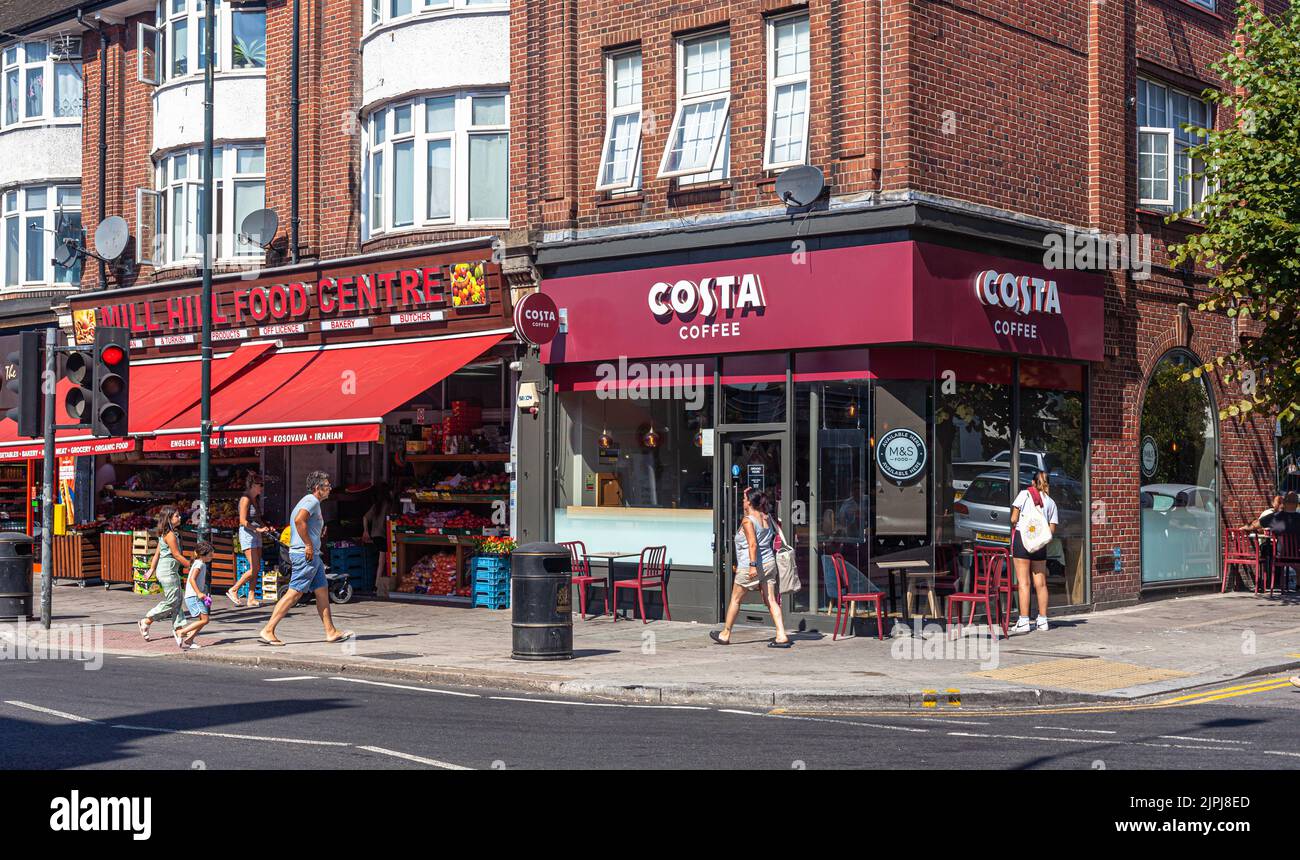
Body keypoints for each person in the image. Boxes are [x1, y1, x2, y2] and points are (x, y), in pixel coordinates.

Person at [257, 471, 352, 646]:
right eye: (327, 485)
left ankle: (330, 631)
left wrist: (315, 535)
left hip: (312, 555)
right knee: (295, 592)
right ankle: (268, 629)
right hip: (305, 554)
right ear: (318, 488)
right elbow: (300, 521)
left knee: (322, 591)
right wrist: (308, 544)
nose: (330, 488)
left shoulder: (311, 502)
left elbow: (303, 524)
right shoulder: (311, 501)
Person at [711, 488, 791, 648]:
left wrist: (753, 566)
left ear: (749, 502)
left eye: (744, 499)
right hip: (769, 564)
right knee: (771, 600)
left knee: (735, 599)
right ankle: (781, 634)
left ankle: (725, 634)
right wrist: (750, 493)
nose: (742, 501)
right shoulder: (766, 517)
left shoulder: (748, 521)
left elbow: (752, 544)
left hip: (751, 565)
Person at [1008, 471, 1058, 634]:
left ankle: (1024, 621)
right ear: (1047, 484)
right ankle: (1042, 620)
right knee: (1041, 583)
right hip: (1039, 545)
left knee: (1024, 583)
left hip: (1023, 541)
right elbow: (1051, 530)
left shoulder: (1024, 494)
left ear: (1032, 482)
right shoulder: (1051, 503)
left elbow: (1013, 519)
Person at [137, 507, 192, 645]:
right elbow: (177, 554)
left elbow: (157, 553)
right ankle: (147, 620)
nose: (179, 518)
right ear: (169, 519)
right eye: (177, 516)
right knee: (173, 601)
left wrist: (152, 569)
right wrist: (190, 566)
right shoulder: (170, 535)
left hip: (168, 570)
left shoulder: (166, 533)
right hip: (168, 572)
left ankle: (178, 629)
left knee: (178, 599)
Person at [228, 472, 273, 607]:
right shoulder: (245, 499)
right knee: (254, 567)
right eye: (260, 485)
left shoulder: (255, 499)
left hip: (256, 533)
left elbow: (258, 518)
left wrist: (265, 527)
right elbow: (242, 521)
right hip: (248, 533)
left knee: (257, 567)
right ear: (253, 485)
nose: (262, 488)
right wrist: (257, 529)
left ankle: (251, 597)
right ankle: (234, 589)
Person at [176, 541, 214, 650]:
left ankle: (189, 639)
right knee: (205, 620)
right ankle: (182, 632)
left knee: (202, 620)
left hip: (194, 596)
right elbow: (192, 579)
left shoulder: (199, 563)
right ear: (202, 554)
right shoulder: (199, 564)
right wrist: (199, 593)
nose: (212, 556)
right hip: (194, 596)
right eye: (210, 554)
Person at [361, 482, 393, 587]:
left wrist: (366, 531)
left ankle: (378, 583)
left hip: (375, 536)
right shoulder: (389, 505)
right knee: (382, 561)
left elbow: (365, 517)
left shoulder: (376, 505)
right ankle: (377, 584)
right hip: (383, 536)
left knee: (381, 560)